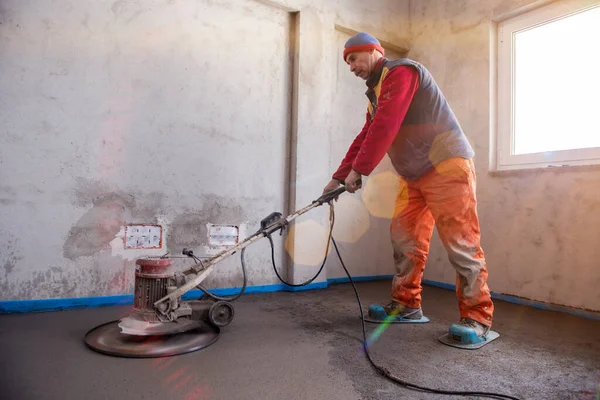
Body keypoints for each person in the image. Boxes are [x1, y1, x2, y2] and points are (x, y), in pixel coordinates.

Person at [322, 32, 494, 340]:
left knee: (461, 244)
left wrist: (359, 171)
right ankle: (406, 305)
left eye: (353, 59)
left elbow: (387, 124)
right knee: (404, 240)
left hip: (447, 165)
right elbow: (366, 135)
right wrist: (338, 176)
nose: (351, 68)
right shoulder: (376, 94)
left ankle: (478, 319)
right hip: (413, 175)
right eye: (347, 62)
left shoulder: (402, 72)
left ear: (373, 51)